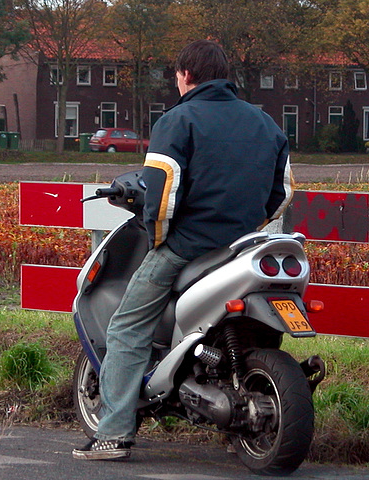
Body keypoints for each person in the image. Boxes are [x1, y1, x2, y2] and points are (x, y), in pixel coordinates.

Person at [73, 39, 294, 460]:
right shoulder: (266, 124)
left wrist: (160, 241)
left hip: (189, 248)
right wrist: (245, 226)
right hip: (242, 248)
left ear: (186, 75)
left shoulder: (177, 121)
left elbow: (162, 195)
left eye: (177, 76)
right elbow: (281, 192)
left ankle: (113, 434)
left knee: (125, 328)